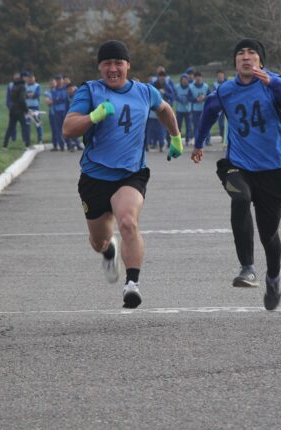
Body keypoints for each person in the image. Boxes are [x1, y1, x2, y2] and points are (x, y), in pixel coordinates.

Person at [62, 40, 184, 308]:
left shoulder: (145, 92)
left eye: (119, 63)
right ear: (100, 67)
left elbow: (164, 108)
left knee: (128, 221)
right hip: (95, 177)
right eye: (107, 63)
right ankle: (109, 251)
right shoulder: (90, 91)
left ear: (128, 65)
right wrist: (93, 117)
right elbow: (68, 128)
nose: (113, 68)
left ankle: (132, 284)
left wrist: (175, 136)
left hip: (131, 174)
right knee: (99, 240)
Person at [192, 38, 281, 311]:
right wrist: (198, 142)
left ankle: (274, 279)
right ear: (235, 63)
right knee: (240, 198)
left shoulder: (274, 84)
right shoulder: (225, 91)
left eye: (251, 53)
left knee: (269, 235)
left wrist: (274, 83)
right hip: (238, 165)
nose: (246, 57)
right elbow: (209, 111)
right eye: (240, 53)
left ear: (260, 61)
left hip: (272, 171)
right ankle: (247, 268)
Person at [3, 71, 30, 149]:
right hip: (20, 110)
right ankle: (27, 145)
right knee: (25, 127)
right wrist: (26, 110)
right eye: (27, 77)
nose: (28, 78)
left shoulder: (15, 85)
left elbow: (14, 97)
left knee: (10, 128)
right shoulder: (23, 86)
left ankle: (5, 145)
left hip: (13, 109)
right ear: (23, 77)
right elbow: (22, 99)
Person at [189, 71, 210, 147]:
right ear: (194, 78)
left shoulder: (206, 86)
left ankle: (207, 140)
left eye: (199, 76)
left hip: (205, 109)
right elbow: (189, 98)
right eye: (196, 77)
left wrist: (204, 98)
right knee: (196, 126)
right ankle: (197, 141)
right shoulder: (191, 87)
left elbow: (210, 96)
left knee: (206, 125)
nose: (198, 78)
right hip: (195, 110)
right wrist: (196, 100)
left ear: (202, 78)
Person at [51, 73, 69, 151]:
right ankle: (61, 145)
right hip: (57, 111)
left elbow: (65, 98)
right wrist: (58, 99)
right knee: (58, 129)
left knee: (67, 128)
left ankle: (69, 144)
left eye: (60, 79)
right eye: (57, 80)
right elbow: (54, 100)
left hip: (65, 111)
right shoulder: (54, 90)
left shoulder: (66, 88)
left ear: (62, 80)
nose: (59, 81)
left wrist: (58, 99)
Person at [174, 74, 194, 146]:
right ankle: (177, 140)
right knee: (178, 126)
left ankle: (188, 139)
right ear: (181, 80)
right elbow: (175, 96)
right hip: (179, 110)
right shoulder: (177, 87)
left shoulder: (190, 87)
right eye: (183, 80)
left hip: (188, 110)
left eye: (186, 80)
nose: (184, 81)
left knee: (188, 126)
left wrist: (187, 100)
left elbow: (191, 96)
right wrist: (180, 100)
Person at [25, 72, 44, 144]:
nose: (30, 80)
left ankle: (40, 139)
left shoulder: (37, 86)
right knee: (27, 124)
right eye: (29, 79)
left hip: (35, 107)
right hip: (27, 107)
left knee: (38, 123)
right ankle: (27, 140)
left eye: (32, 79)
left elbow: (37, 94)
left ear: (34, 79)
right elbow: (24, 95)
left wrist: (29, 95)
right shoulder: (25, 86)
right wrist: (31, 95)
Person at [213, 70, 229, 142]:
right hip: (219, 106)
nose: (220, 77)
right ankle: (223, 136)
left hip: (227, 106)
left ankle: (227, 138)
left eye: (221, 76)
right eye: (219, 76)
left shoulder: (227, 83)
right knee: (221, 124)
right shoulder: (215, 84)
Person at [5, 72, 20, 142]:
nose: (16, 79)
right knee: (12, 123)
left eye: (18, 78)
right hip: (13, 107)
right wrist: (9, 105)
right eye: (15, 77)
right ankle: (13, 138)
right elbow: (8, 96)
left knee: (24, 123)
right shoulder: (10, 85)